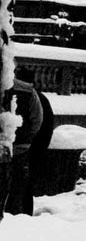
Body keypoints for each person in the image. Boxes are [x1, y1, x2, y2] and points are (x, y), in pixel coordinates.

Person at [5, 76, 55, 216]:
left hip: (19, 146)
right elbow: (38, 124)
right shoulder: (32, 93)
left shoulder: (26, 93)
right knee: (23, 186)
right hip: (27, 146)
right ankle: (24, 216)